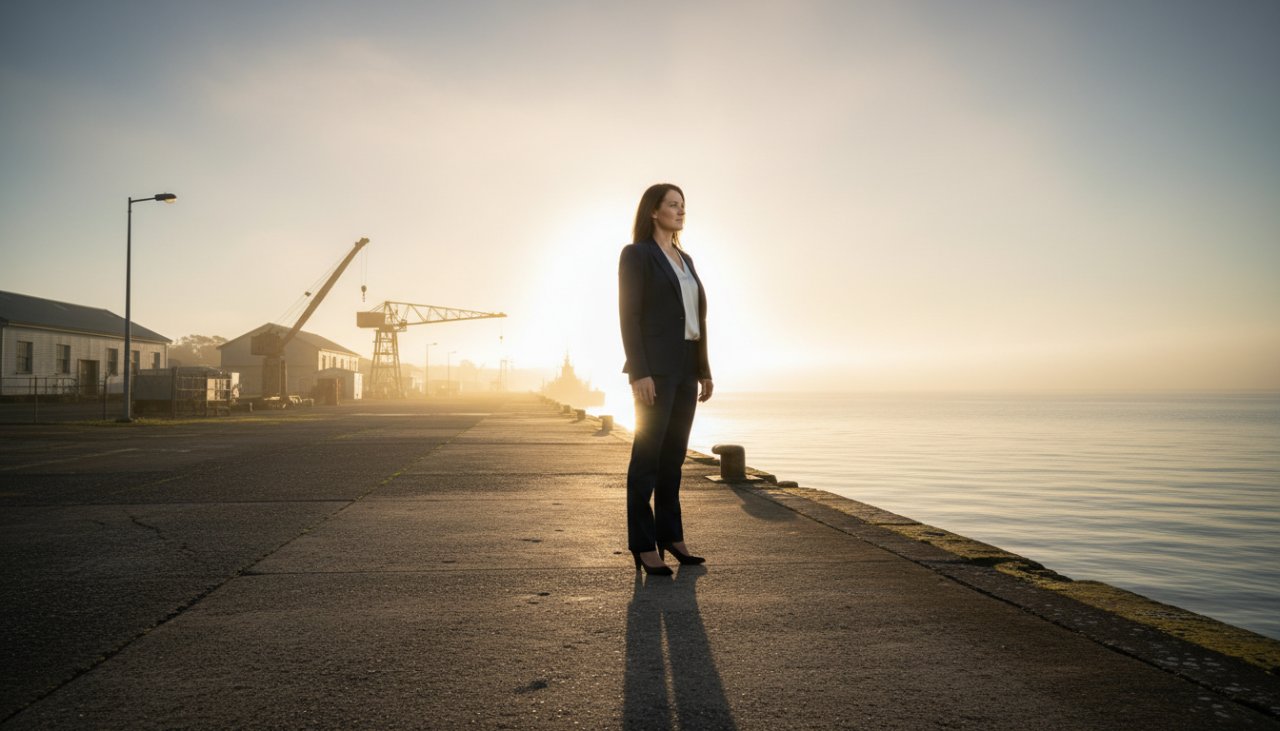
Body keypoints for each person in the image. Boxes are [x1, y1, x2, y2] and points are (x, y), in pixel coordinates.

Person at [618, 183, 714, 575]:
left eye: (683, 206)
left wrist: (703, 369)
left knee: (673, 459)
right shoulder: (637, 255)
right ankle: (643, 545)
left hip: (686, 368)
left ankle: (671, 536)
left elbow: (697, 319)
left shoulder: (685, 259)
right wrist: (638, 371)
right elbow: (629, 315)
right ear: (653, 211)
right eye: (672, 205)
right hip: (654, 370)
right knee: (647, 458)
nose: (680, 211)